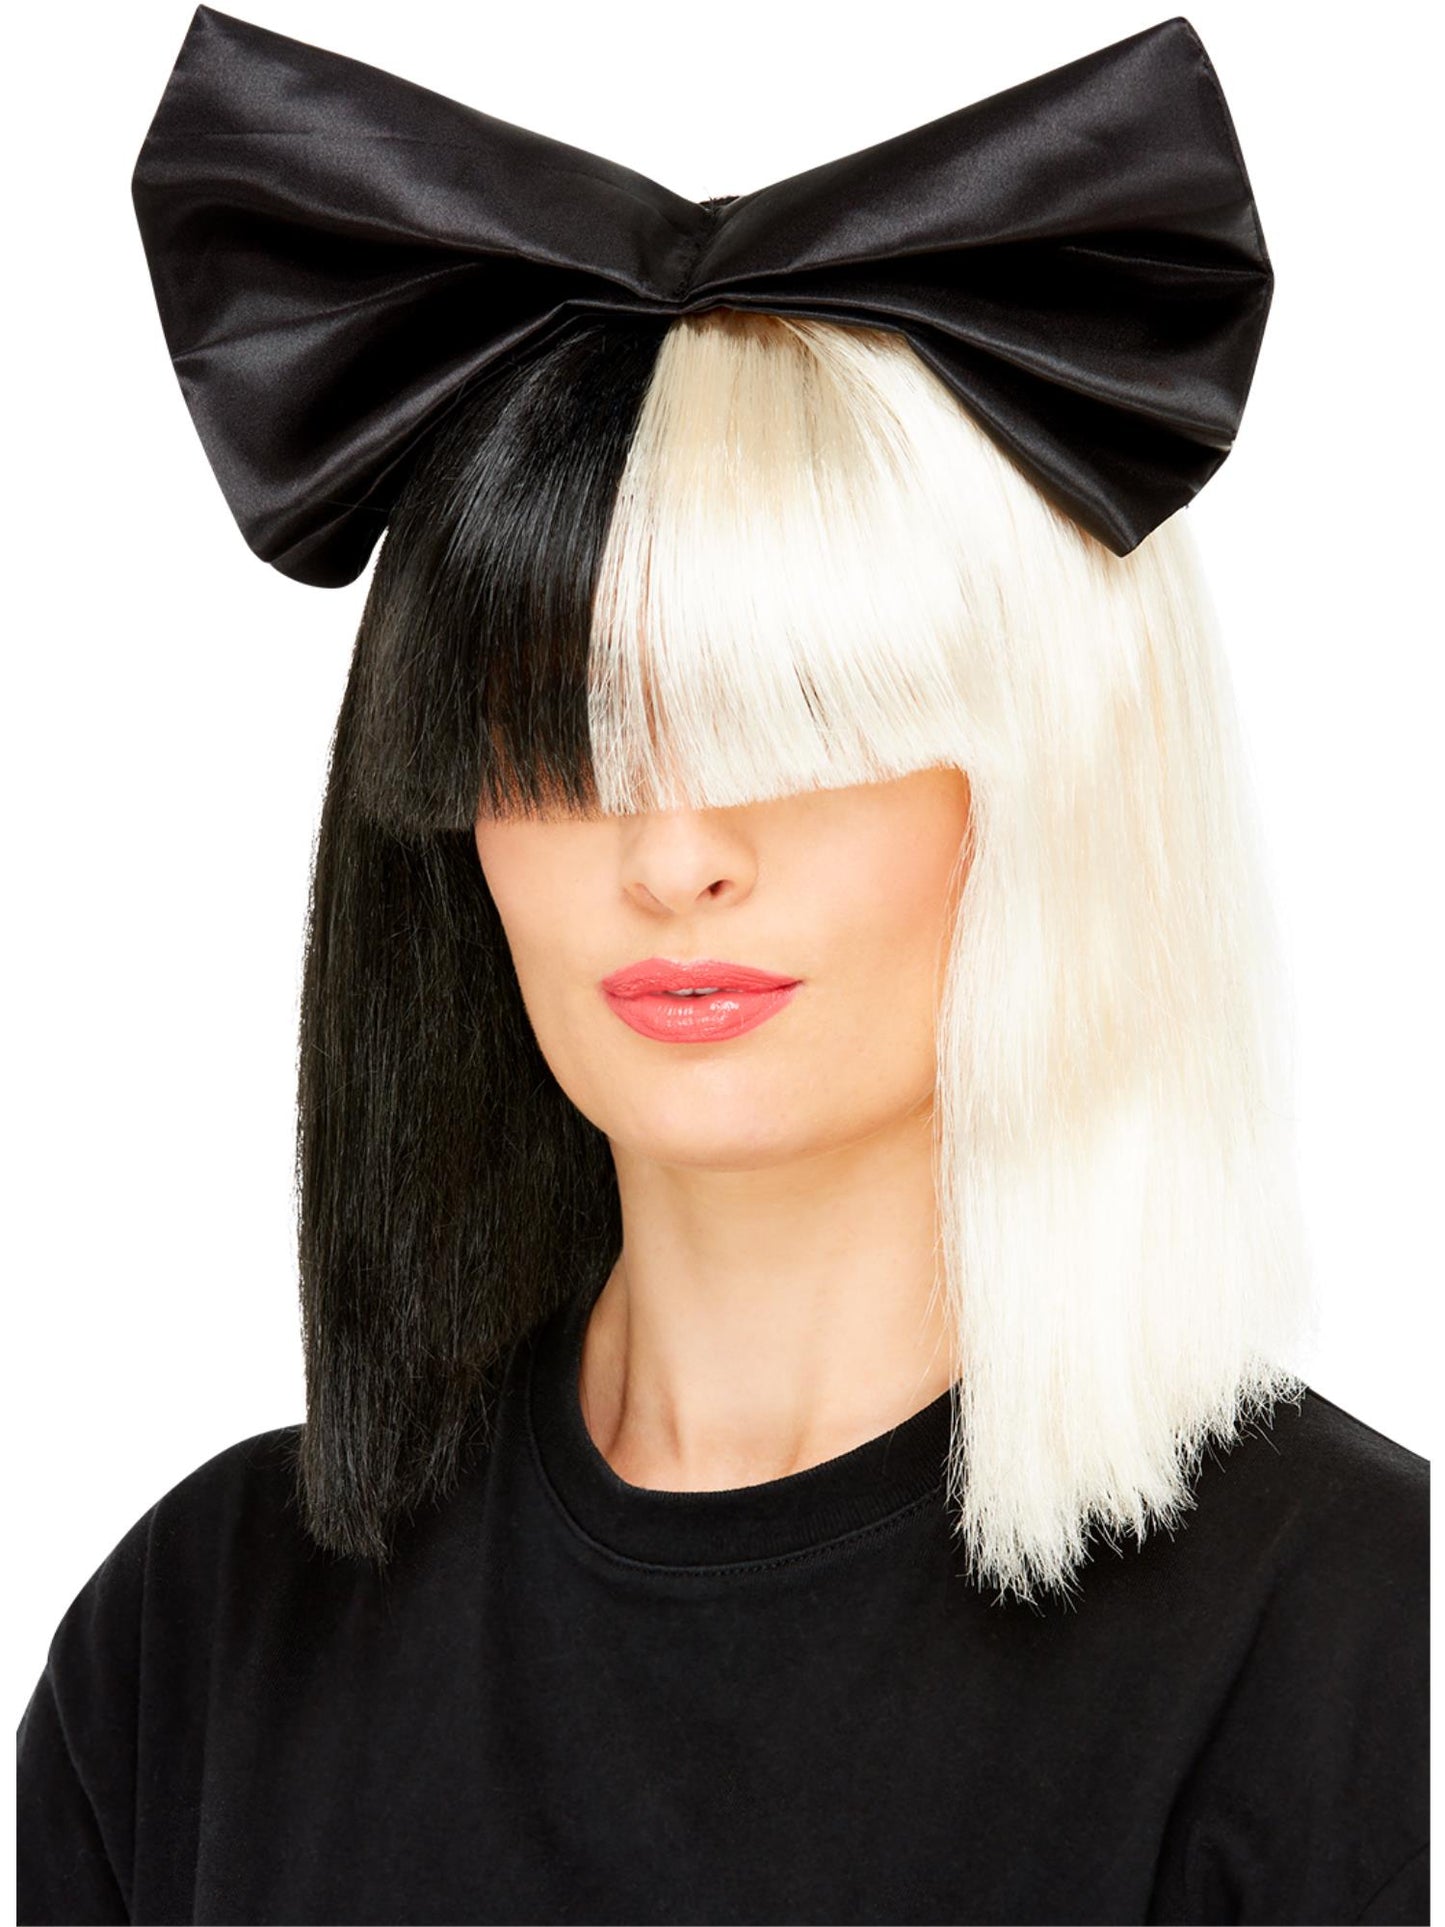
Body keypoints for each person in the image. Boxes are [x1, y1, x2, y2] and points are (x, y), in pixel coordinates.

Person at [16, 11, 1428, 1925]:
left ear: (1049, 788)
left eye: (801, 723)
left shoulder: (1359, 1658)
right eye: (563, 726)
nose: (674, 853)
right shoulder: (197, 1641)